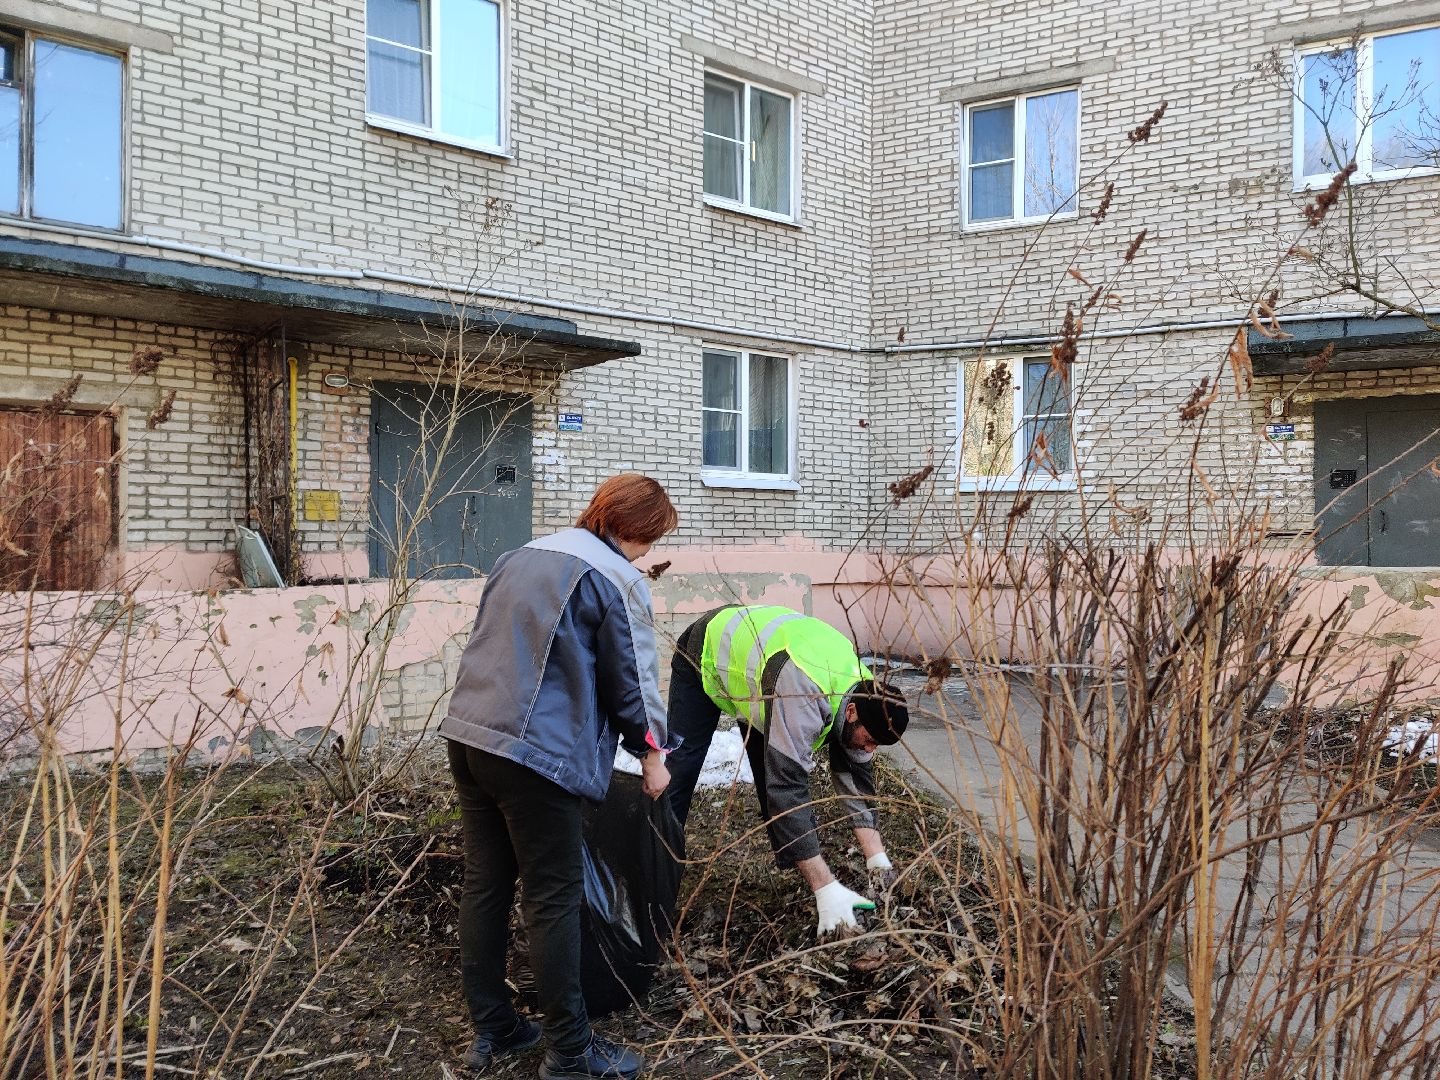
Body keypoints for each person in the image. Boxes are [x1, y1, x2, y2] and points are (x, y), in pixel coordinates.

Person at [439, 474, 679, 1080]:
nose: (649, 553)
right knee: (554, 896)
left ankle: (495, 1027)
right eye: (652, 540)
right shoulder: (614, 578)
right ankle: (570, 1053)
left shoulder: (520, 556)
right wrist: (652, 754)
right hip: (533, 757)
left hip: (470, 736)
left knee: (486, 884)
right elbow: (633, 680)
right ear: (634, 530)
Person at [664, 605, 910, 937]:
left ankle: (794, 861)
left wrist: (877, 861)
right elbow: (788, 788)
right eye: (869, 741)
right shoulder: (805, 695)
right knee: (680, 770)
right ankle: (654, 869)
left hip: (764, 674)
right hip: (705, 653)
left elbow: (857, 782)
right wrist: (826, 888)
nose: (869, 750)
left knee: (775, 772)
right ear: (851, 712)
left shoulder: (866, 693)